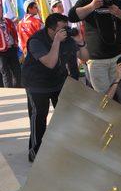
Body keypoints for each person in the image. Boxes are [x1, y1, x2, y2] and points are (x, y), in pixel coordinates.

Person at [21, 13, 89, 162]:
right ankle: (35, 151)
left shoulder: (67, 39)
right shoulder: (36, 41)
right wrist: (57, 42)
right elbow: (50, 63)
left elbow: (85, 58)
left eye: (67, 27)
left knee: (65, 115)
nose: (66, 31)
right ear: (51, 30)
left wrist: (80, 41)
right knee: (39, 117)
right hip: (36, 84)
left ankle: (64, 147)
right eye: (62, 28)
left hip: (58, 81)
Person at [68, 0, 121, 93]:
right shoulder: (86, 1)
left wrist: (118, 12)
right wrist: (92, 6)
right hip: (96, 60)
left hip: (118, 57)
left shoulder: (115, 0)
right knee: (104, 98)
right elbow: (72, 16)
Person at [0, 7, 20, 87]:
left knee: (16, 70)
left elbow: (14, 32)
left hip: (11, 48)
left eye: (0, 9)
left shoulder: (7, 21)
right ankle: (9, 91)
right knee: (5, 72)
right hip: (1, 52)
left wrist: (15, 43)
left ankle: (18, 88)